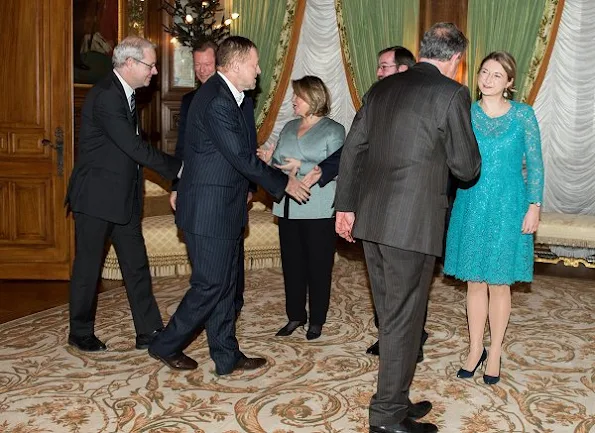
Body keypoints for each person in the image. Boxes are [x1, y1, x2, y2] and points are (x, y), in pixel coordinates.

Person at [334, 23, 482, 433]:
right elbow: (467, 168)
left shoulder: (382, 89)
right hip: (411, 224)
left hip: (372, 219)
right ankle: (385, 417)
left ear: (422, 51)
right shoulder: (451, 93)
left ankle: (396, 400)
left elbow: (353, 151)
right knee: (403, 319)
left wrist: (344, 207)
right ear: (455, 59)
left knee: (392, 315)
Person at [148, 36, 310, 374]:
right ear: (235, 66)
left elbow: (242, 153)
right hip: (209, 210)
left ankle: (226, 355)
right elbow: (239, 157)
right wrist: (284, 184)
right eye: (255, 64)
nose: (260, 71)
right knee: (210, 285)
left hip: (226, 207)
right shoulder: (217, 100)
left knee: (226, 286)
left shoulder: (235, 98)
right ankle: (165, 344)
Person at [65, 36, 183, 352]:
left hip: (123, 198)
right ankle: (79, 331)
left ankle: (148, 330)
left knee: (136, 264)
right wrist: (178, 168)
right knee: (88, 268)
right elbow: (132, 147)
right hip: (95, 198)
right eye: (151, 64)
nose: (155, 71)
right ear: (129, 63)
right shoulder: (106, 96)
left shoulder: (125, 94)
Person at [445, 51, 544, 386]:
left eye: (496, 75)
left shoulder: (523, 116)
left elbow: (536, 163)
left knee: (500, 283)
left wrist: (535, 204)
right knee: (475, 280)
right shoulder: (466, 113)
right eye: (483, 72)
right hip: (471, 201)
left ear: (510, 83)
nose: (487, 79)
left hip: (509, 205)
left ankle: (496, 349)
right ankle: (475, 349)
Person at [169, 40, 256, 317]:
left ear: (218, 64)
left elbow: (246, 146)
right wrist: (177, 185)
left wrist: (250, 185)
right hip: (208, 197)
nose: (202, 70)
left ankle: (227, 338)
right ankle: (170, 343)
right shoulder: (199, 100)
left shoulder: (241, 98)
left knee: (228, 269)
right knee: (213, 280)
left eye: (206, 64)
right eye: (197, 66)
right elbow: (184, 150)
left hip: (231, 190)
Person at [257, 76, 344, 340]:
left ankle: (317, 319)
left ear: (314, 99)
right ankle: (295, 315)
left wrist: (302, 167)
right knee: (292, 266)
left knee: (318, 266)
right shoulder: (288, 127)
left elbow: (340, 168)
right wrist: (271, 161)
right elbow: (278, 165)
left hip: (318, 209)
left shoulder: (334, 130)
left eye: (299, 96)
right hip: (287, 208)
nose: (293, 101)